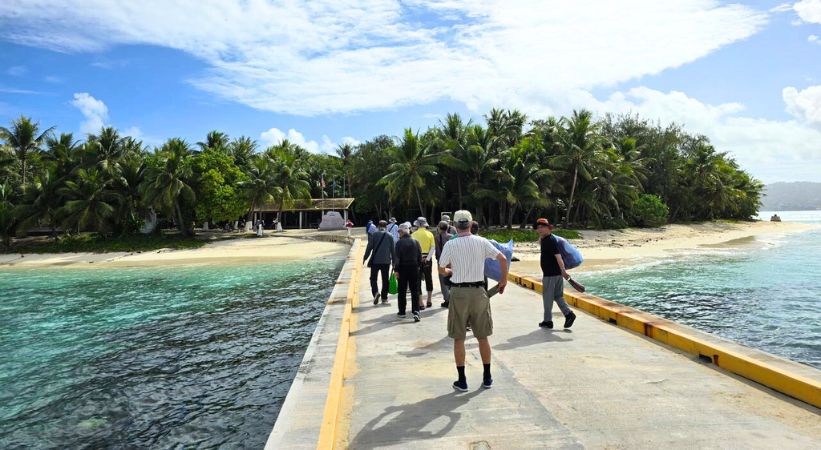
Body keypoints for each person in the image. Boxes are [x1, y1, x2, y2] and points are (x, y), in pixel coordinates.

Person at [438, 210, 508, 391]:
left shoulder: (451, 245)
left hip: (459, 293)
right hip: (479, 292)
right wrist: (503, 280)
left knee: (458, 337)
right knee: (482, 337)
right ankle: (487, 377)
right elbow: (502, 258)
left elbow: (441, 268)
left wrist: (450, 272)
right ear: (470, 224)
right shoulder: (482, 242)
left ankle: (462, 380)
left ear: (455, 224)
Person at [534, 218, 577, 329]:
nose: (540, 229)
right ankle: (569, 314)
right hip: (555, 274)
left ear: (549, 228)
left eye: (542, 227)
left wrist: (563, 271)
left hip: (551, 275)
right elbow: (540, 241)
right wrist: (542, 235)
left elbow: (558, 257)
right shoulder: (546, 239)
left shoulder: (550, 241)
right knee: (558, 296)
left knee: (547, 298)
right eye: (538, 228)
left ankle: (548, 321)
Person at [393, 222, 423, 322]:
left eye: (399, 232)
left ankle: (402, 312)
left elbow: (397, 259)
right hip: (414, 268)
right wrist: (419, 268)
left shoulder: (399, 243)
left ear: (402, 232)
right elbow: (420, 257)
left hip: (402, 269)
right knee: (415, 290)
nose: (398, 234)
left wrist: (396, 270)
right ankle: (416, 311)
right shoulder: (416, 241)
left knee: (402, 291)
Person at [363, 220, 396, 305]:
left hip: (375, 261)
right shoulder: (390, 236)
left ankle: (376, 293)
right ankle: (384, 298)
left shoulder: (374, 235)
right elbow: (393, 250)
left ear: (378, 226)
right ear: (386, 227)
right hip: (386, 261)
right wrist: (394, 262)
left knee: (373, 278)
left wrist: (365, 257)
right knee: (385, 279)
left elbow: (369, 247)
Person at [412, 217, 435, 309]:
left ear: (417, 224)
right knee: (429, 278)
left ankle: (420, 302)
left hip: (417, 259)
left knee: (417, 280)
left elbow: (412, 248)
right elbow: (433, 247)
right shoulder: (430, 234)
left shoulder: (413, 234)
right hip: (427, 259)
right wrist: (428, 258)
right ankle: (429, 300)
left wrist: (418, 257)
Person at [435, 220, 453, 308]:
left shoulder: (437, 237)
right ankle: (453, 299)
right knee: (452, 280)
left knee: (443, 282)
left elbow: (438, 252)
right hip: (452, 262)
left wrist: (439, 263)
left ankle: (447, 300)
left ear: (439, 228)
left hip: (442, 262)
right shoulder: (452, 236)